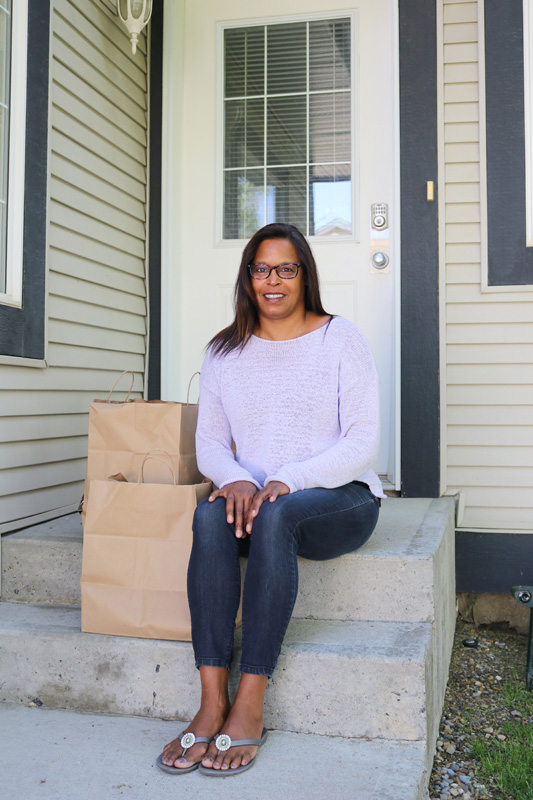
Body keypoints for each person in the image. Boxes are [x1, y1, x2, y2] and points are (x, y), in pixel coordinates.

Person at [157, 222, 384, 777]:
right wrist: (233, 478)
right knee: (209, 516)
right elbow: (209, 441)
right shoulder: (224, 351)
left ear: (305, 275)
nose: (273, 281)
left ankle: (250, 701)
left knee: (277, 514)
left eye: (287, 268)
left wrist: (291, 478)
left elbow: (362, 441)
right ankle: (212, 700)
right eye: (262, 269)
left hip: (337, 498)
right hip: (253, 501)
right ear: (248, 277)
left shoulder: (340, 339)